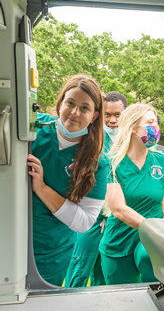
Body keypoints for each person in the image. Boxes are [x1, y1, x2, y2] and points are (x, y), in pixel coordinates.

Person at [27, 74, 109, 286]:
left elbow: (84, 222)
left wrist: (42, 188)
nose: (75, 112)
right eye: (70, 103)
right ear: (60, 102)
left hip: (50, 252)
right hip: (9, 236)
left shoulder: (97, 161)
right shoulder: (32, 129)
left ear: (94, 116)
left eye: (84, 108)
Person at [99, 104, 164, 284]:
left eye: (156, 123)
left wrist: (162, 230)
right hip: (119, 242)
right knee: (121, 301)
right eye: (150, 122)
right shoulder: (110, 163)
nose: (156, 128)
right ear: (132, 127)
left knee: (155, 297)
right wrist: (154, 229)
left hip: (153, 242)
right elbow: (119, 210)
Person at [64, 91, 128, 287]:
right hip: (92, 214)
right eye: (107, 114)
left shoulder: (130, 141)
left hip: (116, 218)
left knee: (104, 273)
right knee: (80, 268)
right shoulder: (90, 136)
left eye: (118, 115)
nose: (113, 120)